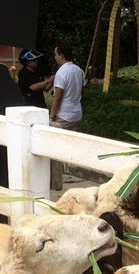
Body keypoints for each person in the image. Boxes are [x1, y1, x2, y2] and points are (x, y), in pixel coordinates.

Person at [48, 40, 85, 189]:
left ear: (61, 55)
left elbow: (57, 97)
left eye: (55, 54)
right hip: (77, 113)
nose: (54, 57)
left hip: (64, 115)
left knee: (53, 148)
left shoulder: (62, 72)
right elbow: (82, 90)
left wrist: (51, 117)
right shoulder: (78, 70)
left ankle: (56, 183)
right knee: (68, 145)